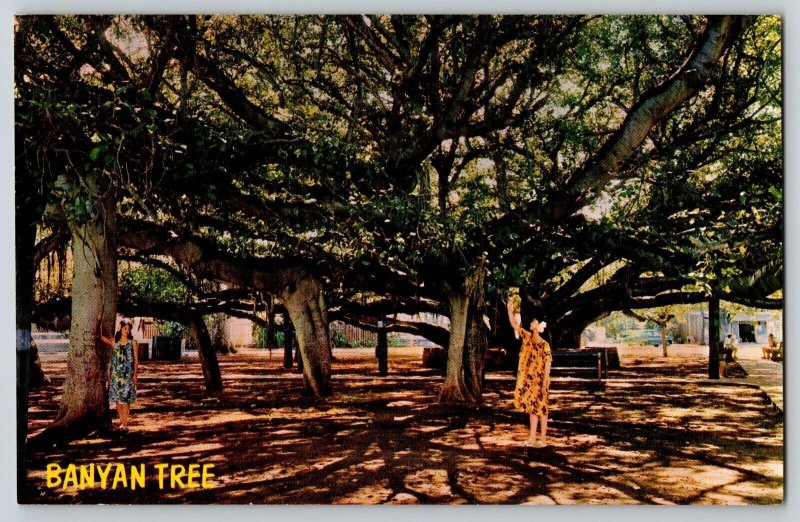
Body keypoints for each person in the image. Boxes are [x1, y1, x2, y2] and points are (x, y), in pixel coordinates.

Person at [507, 300, 553, 447]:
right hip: (530, 380)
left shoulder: (544, 345)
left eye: (534, 321)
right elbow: (515, 325)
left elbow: (548, 364)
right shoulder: (527, 338)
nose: (531, 323)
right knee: (532, 409)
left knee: (542, 408)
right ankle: (532, 437)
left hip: (540, 381)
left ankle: (543, 438)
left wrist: (545, 383)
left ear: (538, 326)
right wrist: (510, 309)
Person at [97, 318, 139, 431]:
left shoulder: (133, 343)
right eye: (125, 328)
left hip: (127, 375)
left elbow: (136, 360)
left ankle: (125, 422)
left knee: (126, 399)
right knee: (117, 399)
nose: (127, 330)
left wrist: (135, 375)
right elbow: (100, 337)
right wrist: (100, 322)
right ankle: (121, 421)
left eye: (129, 329)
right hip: (116, 375)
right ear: (120, 329)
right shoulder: (114, 342)